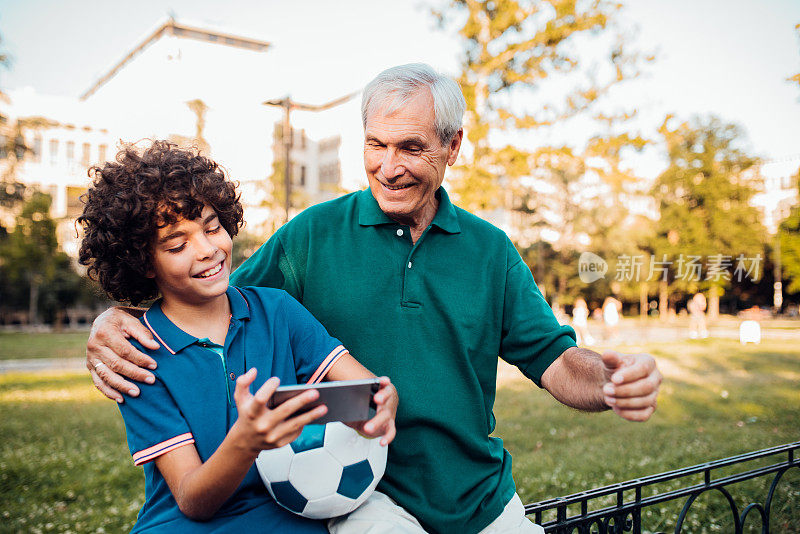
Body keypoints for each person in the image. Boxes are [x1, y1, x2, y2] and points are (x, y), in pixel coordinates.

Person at [85, 64, 661, 534]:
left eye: (411, 147)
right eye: (376, 145)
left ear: (452, 146)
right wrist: (116, 318)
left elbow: (557, 361)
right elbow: (207, 296)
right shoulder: (309, 238)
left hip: (479, 496)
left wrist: (607, 380)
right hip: (361, 495)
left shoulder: (491, 252)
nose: (389, 167)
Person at [77, 141, 398, 532]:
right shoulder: (137, 356)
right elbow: (194, 500)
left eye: (213, 227)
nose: (208, 249)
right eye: (178, 245)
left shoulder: (277, 311)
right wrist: (245, 441)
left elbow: (363, 388)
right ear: (143, 262)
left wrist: (379, 403)